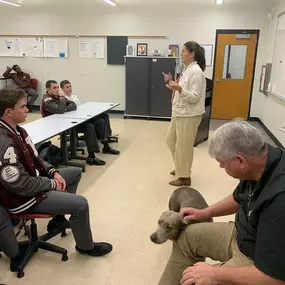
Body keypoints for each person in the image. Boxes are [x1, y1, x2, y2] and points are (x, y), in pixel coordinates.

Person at [158, 120, 285, 285]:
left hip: (256, 261)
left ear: (240, 161)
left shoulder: (279, 200)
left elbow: (274, 279)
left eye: (223, 163)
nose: (220, 166)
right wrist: (205, 212)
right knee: (187, 237)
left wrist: (214, 273)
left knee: (201, 280)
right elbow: (239, 197)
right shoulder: (261, 157)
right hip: (241, 234)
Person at [0, 88, 113, 261]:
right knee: (81, 204)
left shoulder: (18, 131)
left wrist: (52, 172)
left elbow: (36, 158)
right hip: (22, 199)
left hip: (33, 184)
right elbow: (21, 185)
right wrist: (51, 183)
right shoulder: (5, 142)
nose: (28, 109)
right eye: (23, 107)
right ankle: (85, 247)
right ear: (8, 111)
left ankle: (58, 219)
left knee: (74, 173)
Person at [163, 41, 206, 187]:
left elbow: (194, 97)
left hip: (189, 115)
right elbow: (182, 89)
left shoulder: (196, 72)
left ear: (192, 54)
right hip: (179, 112)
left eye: (183, 51)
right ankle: (181, 167)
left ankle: (185, 177)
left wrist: (179, 88)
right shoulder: (187, 69)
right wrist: (172, 84)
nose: (181, 54)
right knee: (171, 140)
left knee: (184, 146)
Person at [42, 80, 109, 166]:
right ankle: (90, 156)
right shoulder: (47, 99)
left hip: (67, 121)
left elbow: (73, 105)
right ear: (48, 89)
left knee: (94, 124)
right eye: (54, 88)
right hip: (58, 126)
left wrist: (64, 108)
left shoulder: (56, 96)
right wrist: (62, 100)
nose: (57, 89)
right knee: (89, 127)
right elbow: (60, 109)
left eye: (57, 87)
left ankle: (93, 154)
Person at [60, 80, 119, 155]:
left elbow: (78, 109)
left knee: (102, 119)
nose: (70, 88)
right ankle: (92, 154)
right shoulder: (62, 99)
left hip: (81, 118)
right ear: (62, 89)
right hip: (72, 122)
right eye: (67, 87)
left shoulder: (74, 97)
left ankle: (106, 145)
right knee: (90, 126)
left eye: (70, 86)